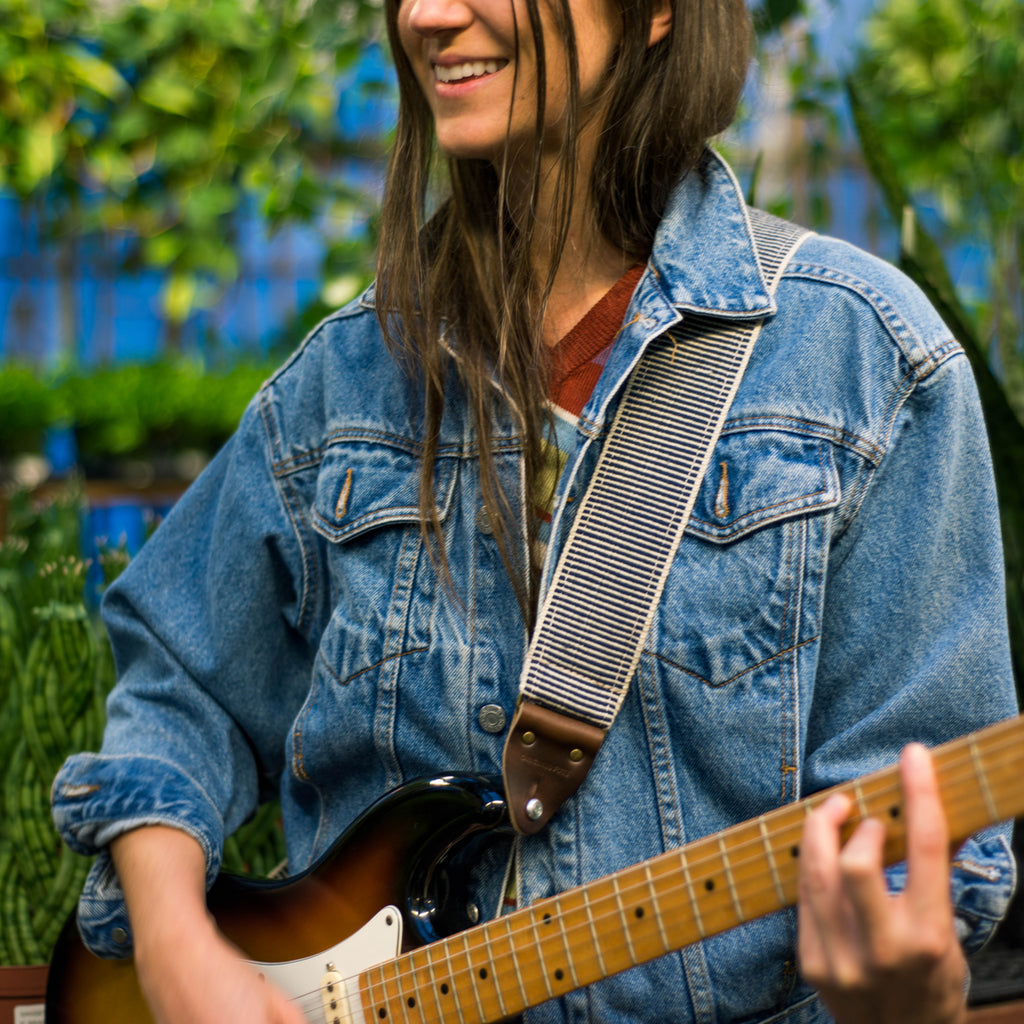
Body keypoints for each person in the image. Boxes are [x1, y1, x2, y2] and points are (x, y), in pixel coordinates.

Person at [52, 0, 1018, 1022]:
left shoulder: (869, 366)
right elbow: (178, 687)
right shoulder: (339, 385)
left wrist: (910, 999)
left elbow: (923, 863)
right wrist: (172, 945)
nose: (426, 13)